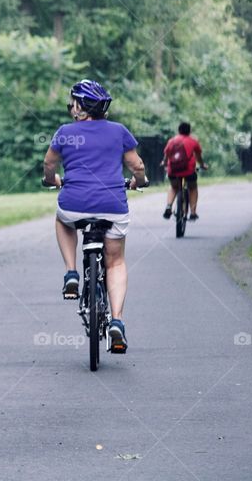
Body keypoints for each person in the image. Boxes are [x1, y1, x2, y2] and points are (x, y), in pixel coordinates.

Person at [42, 80, 147, 353]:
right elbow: (137, 165)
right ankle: (118, 322)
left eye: (72, 102)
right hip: (113, 207)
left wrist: (51, 179)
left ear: (79, 107)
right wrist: (140, 180)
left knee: (62, 220)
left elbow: (49, 164)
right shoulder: (118, 131)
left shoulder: (65, 133)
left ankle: (71, 273)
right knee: (115, 262)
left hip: (73, 204)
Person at [161, 122, 207, 221]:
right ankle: (193, 213)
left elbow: (166, 156)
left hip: (173, 171)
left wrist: (164, 164)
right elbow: (199, 157)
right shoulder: (193, 141)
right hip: (189, 171)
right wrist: (203, 165)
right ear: (189, 131)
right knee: (193, 187)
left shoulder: (171, 141)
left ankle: (169, 206)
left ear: (179, 130)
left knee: (174, 187)